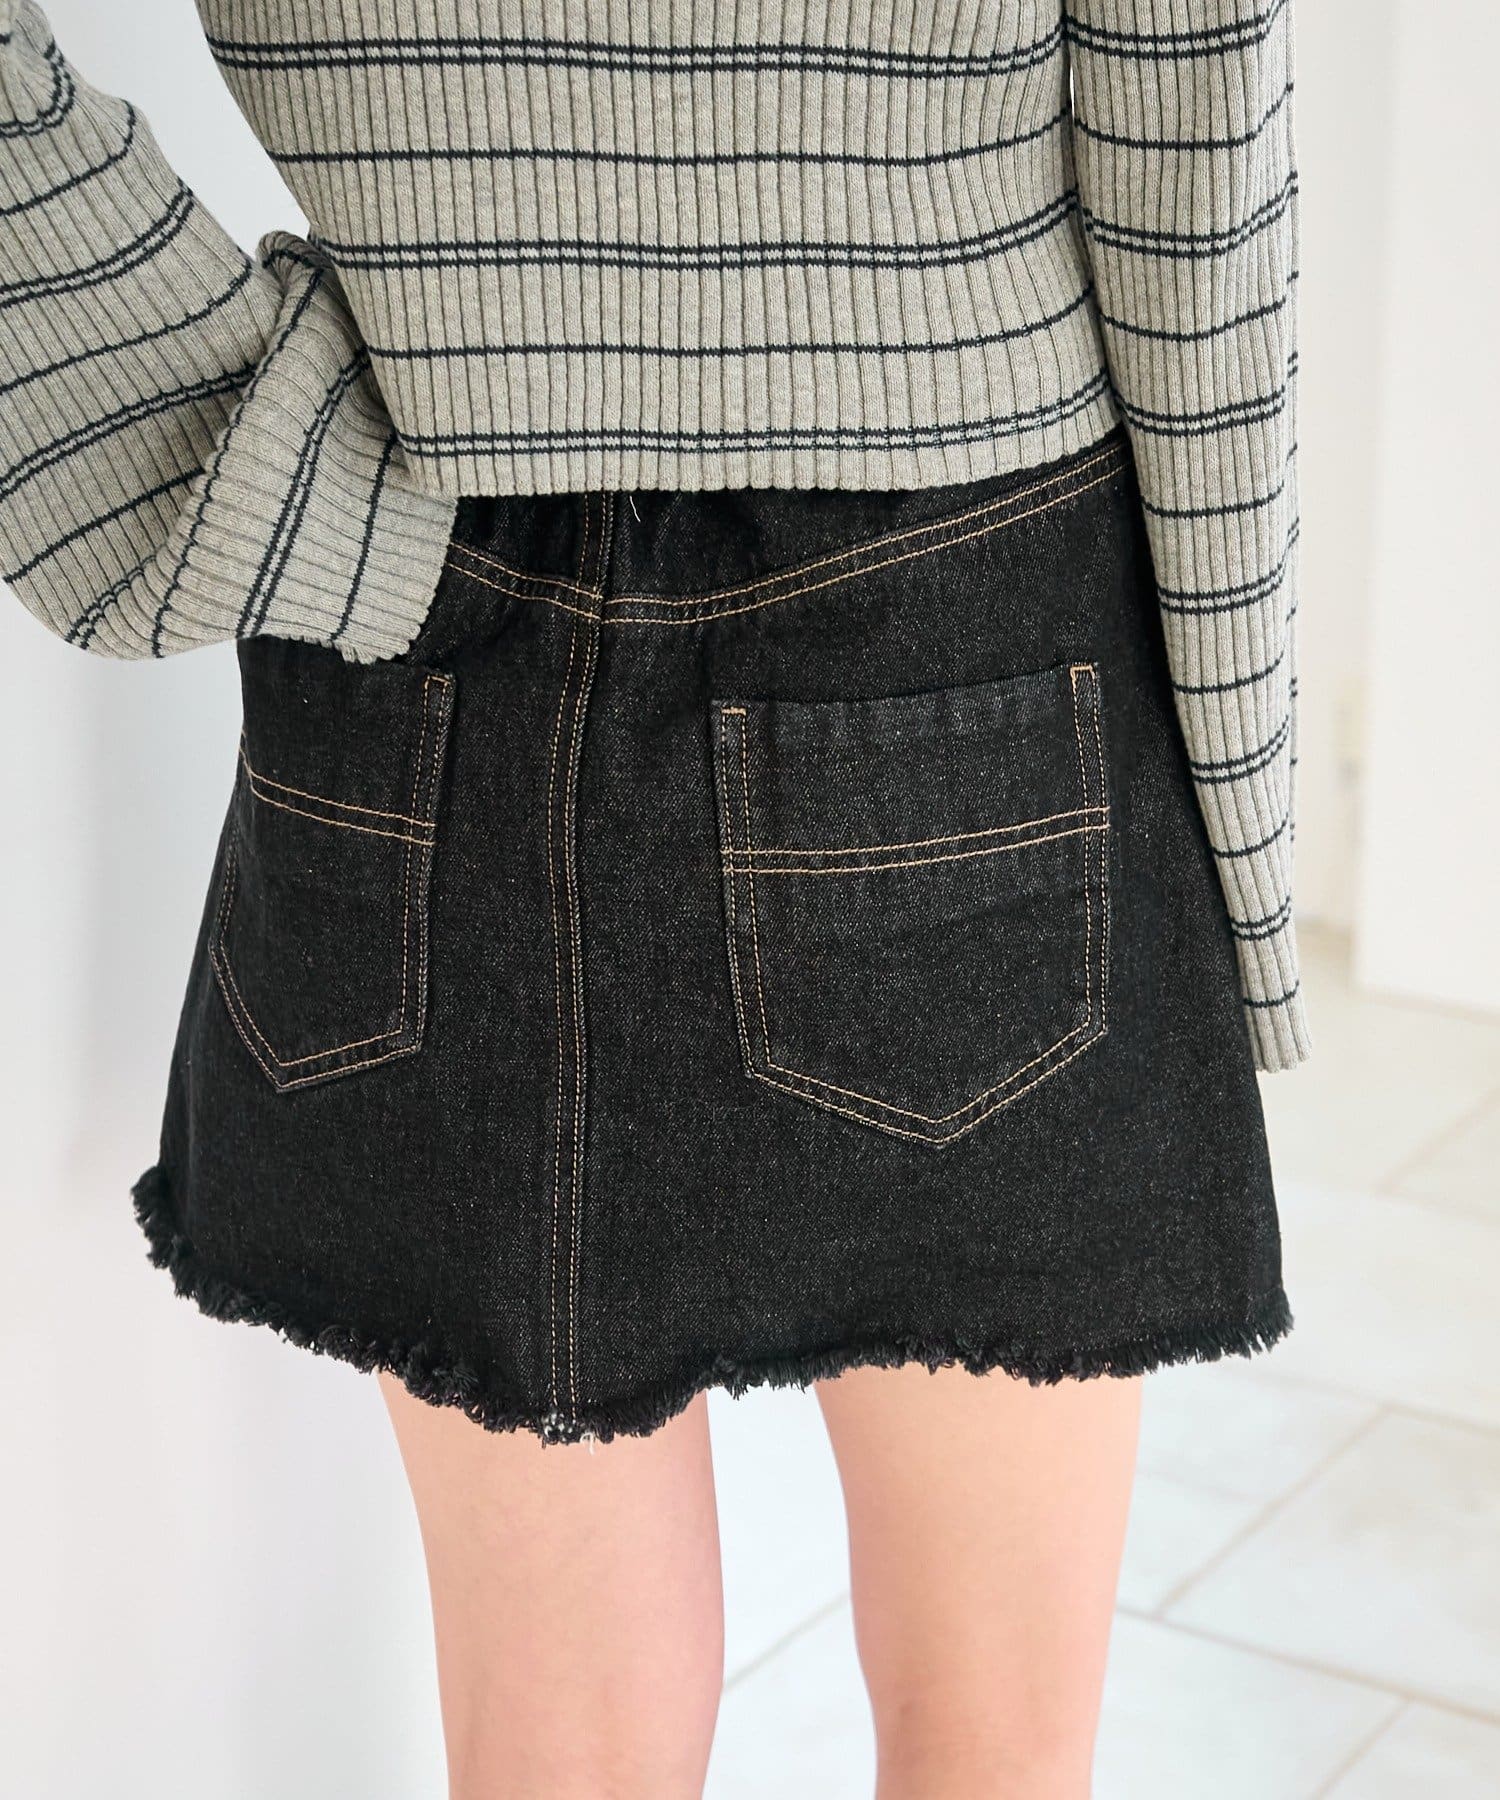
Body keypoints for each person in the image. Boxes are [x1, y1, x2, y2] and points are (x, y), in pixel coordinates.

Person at [0, 2, 1308, 1793]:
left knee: (558, 1732)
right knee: (994, 1736)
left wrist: (207, 439)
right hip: (970, 627)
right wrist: (1242, 839)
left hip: (424, 611)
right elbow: (1189, 163)